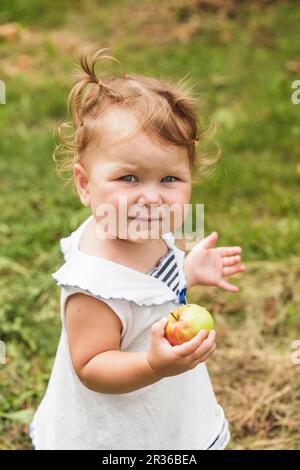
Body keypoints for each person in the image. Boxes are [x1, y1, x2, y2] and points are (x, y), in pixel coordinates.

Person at [29, 44, 245, 450]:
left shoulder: (143, 229)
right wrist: (151, 364)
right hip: (119, 424)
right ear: (84, 184)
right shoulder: (95, 284)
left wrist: (189, 270)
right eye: (129, 178)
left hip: (165, 403)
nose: (152, 197)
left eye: (169, 180)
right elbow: (91, 366)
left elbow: (155, 280)